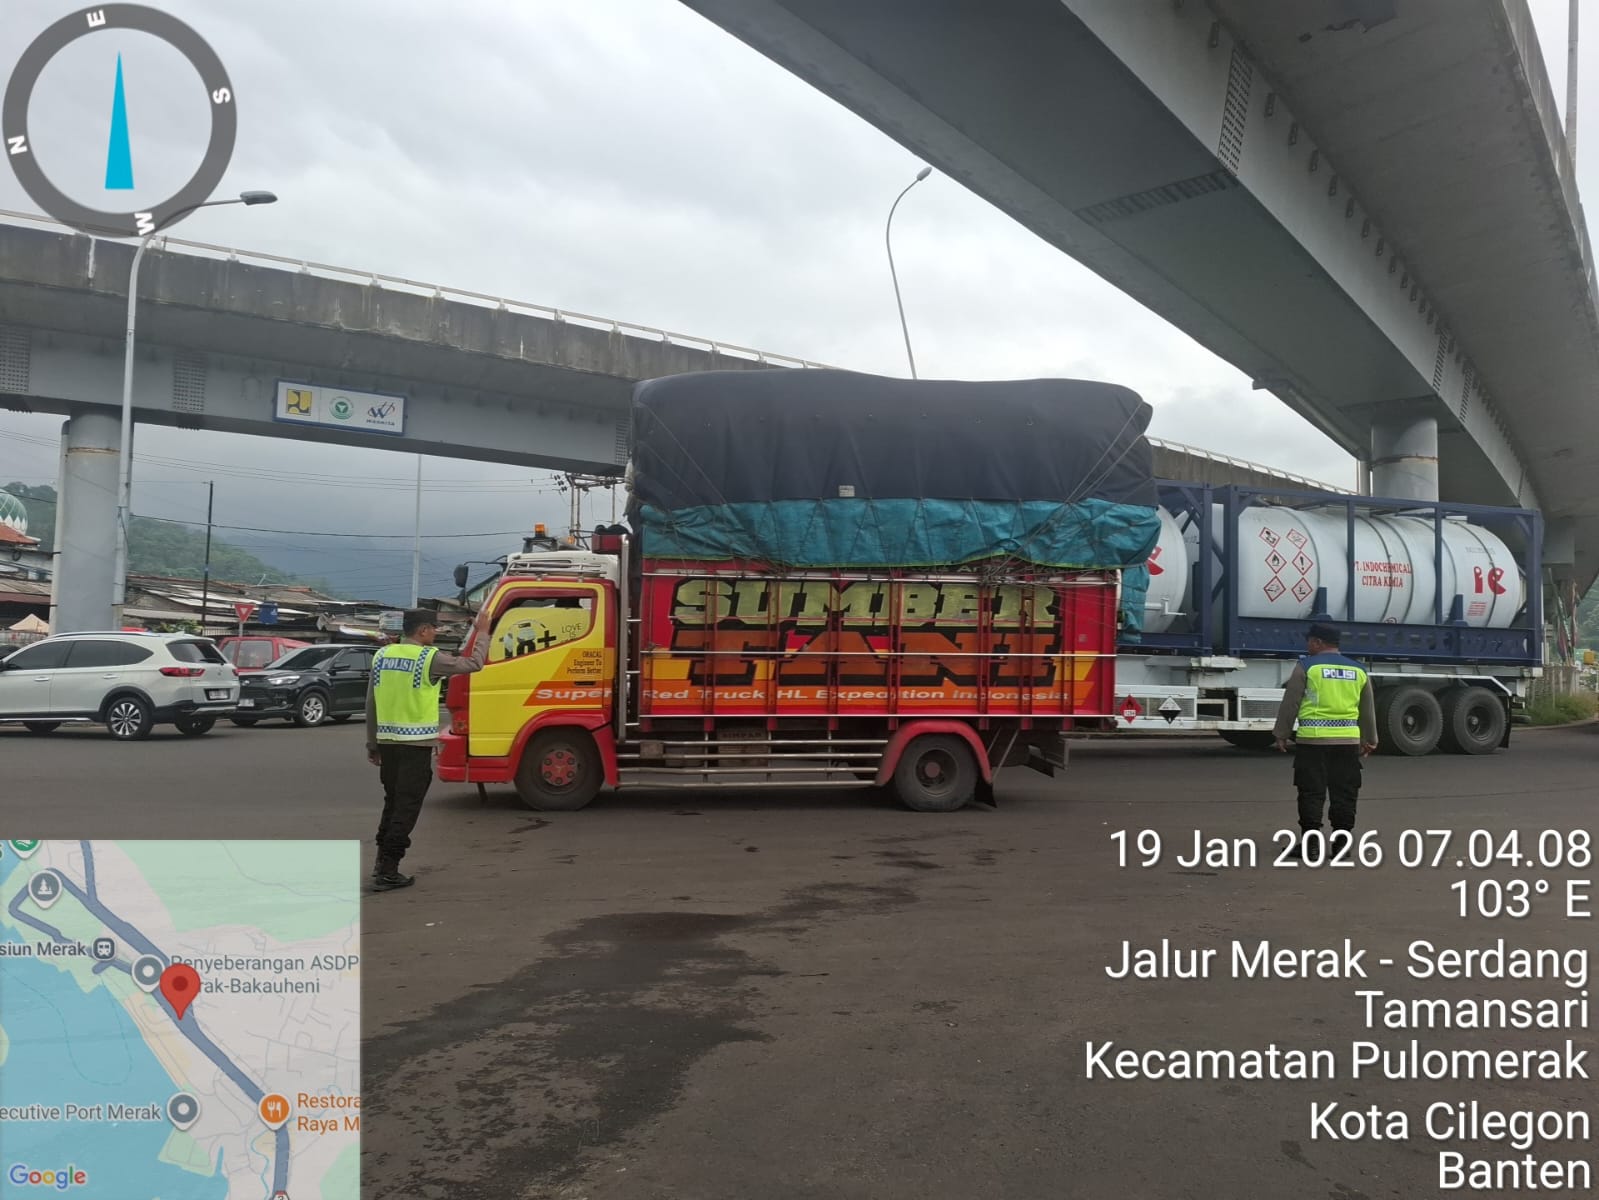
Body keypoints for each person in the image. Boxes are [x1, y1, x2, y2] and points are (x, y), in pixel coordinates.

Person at [365, 608, 488, 891]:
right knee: (406, 808)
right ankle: (388, 870)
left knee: (392, 803)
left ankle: (381, 862)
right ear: (422, 630)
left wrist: (372, 743)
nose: (436, 632)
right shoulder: (429, 658)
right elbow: (474, 663)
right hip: (415, 746)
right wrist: (483, 632)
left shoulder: (382, 655)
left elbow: (371, 702)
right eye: (434, 628)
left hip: (387, 743)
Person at [1272, 622, 1378, 859]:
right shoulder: (1358, 670)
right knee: (1345, 794)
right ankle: (1341, 846)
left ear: (1318, 642)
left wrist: (1281, 734)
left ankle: (1311, 846)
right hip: (1348, 744)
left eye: (1309, 641)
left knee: (1311, 793)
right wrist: (1370, 739)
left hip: (1313, 742)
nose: (1307, 645)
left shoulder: (1307, 667)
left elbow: (1291, 703)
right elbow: (1367, 709)